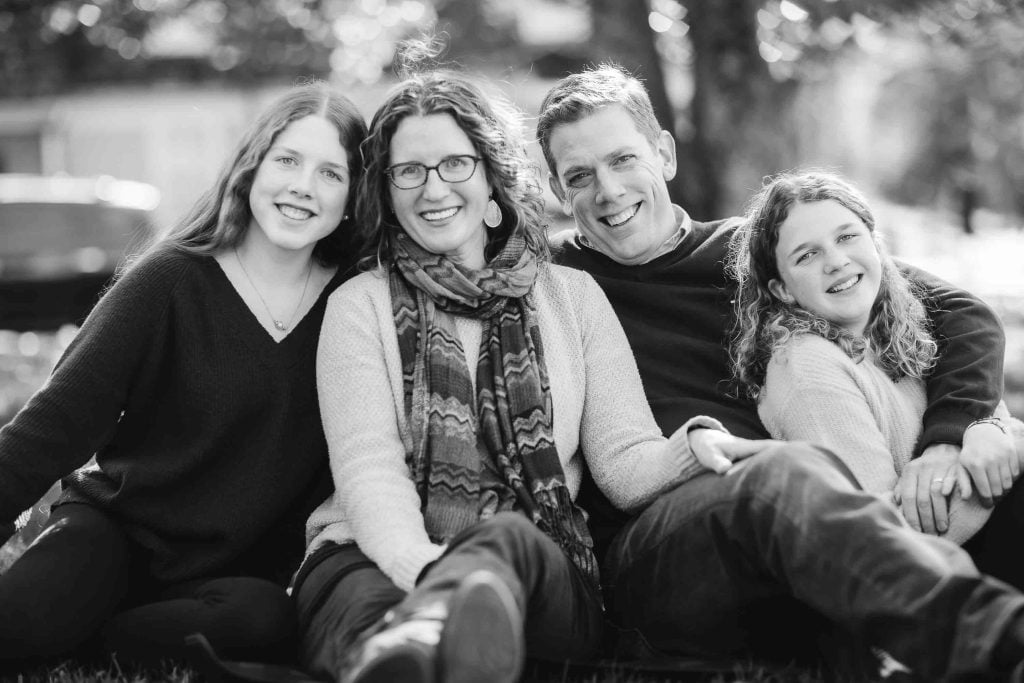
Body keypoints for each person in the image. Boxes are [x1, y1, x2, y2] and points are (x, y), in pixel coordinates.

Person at [538, 64, 1024, 680]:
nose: (607, 191)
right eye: (579, 176)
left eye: (623, 160)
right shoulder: (553, 282)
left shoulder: (756, 250)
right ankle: (995, 642)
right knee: (782, 473)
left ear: (663, 153)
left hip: (811, 517)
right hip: (666, 548)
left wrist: (953, 434)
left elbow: (957, 311)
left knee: (1002, 466)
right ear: (557, 190)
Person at [292, 65, 774, 683]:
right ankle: (411, 644)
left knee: (507, 544)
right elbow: (368, 469)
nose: (432, 189)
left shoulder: (570, 295)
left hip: (538, 565)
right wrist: (425, 573)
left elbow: (624, 463)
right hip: (372, 551)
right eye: (408, 171)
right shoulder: (358, 305)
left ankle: (426, 638)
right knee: (367, 617)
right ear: (386, 191)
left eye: (455, 164)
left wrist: (693, 444)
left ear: (492, 174)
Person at [0, 81, 367, 666]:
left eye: (331, 172)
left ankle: (95, 641)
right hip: (114, 536)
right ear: (251, 168)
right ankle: (73, 624)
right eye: (288, 160)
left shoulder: (356, 306)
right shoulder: (170, 278)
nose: (302, 186)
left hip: (231, 578)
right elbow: (53, 425)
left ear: (352, 197)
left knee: (263, 623)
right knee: (17, 628)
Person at [728, 169, 1024, 588]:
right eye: (807, 255)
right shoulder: (805, 365)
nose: (836, 261)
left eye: (846, 236)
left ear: (874, 242)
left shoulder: (901, 326)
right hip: (934, 587)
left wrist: (992, 434)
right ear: (782, 290)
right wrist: (1009, 446)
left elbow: (988, 424)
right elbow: (881, 534)